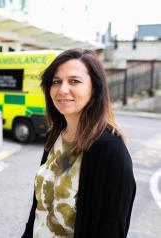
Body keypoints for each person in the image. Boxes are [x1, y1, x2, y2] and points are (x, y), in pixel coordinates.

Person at [22, 48, 136, 238]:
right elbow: (39, 208)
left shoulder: (110, 151)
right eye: (56, 82)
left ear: (95, 88)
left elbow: (112, 229)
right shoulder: (55, 135)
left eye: (74, 81)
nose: (62, 89)